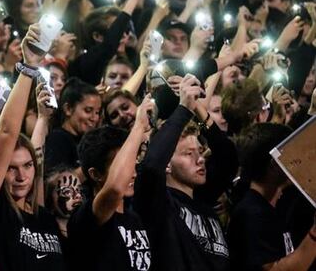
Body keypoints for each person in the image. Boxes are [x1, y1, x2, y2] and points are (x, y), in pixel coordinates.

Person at [0, 24, 67, 270]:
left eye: (27, 166)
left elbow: (37, 155)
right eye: (11, 168)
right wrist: (28, 66)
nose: (22, 176)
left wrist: (44, 119)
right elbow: (6, 133)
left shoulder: (43, 217)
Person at [134, 75, 230, 271]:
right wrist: (183, 108)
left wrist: (197, 108)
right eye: (188, 154)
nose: (200, 159)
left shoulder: (204, 199)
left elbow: (228, 156)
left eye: (200, 152)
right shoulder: (157, 202)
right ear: (167, 165)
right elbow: (152, 166)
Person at [68, 97, 155, 271]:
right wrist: (138, 127)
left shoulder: (135, 219)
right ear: (96, 174)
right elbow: (115, 188)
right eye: (121, 165)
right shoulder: (86, 217)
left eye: (131, 164)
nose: (132, 172)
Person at [228, 123, 316, 271]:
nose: (298, 161)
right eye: (291, 155)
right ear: (275, 164)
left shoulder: (276, 205)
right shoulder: (251, 214)